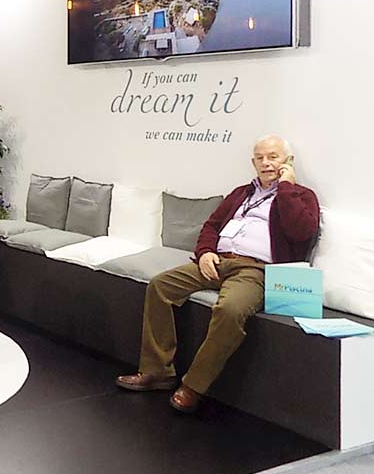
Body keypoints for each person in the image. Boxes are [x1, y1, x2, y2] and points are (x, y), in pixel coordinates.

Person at [116, 135, 320, 413]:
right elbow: (211, 226)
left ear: (288, 161)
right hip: (217, 262)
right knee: (160, 286)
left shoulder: (301, 196)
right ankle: (157, 371)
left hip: (255, 270)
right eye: (260, 158)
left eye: (273, 157)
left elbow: (302, 232)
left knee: (230, 310)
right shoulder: (241, 193)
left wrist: (286, 186)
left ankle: (194, 385)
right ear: (253, 163)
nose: (265, 163)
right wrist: (205, 252)